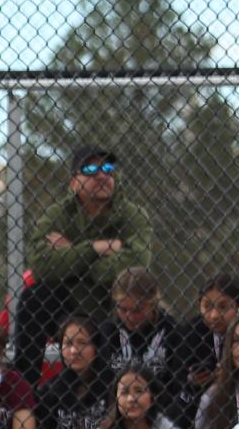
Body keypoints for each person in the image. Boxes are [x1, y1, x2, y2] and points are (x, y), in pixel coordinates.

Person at [12, 146, 152, 381]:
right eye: (90, 169)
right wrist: (96, 248)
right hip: (69, 303)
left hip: (110, 303)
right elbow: (41, 264)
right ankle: (25, 394)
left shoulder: (132, 215)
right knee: (34, 298)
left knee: (131, 293)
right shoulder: (58, 214)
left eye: (108, 169)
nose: (101, 175)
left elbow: (135, 264)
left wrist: (71, 252)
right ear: (74, 182)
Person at [33, 315, 113, 429]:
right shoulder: (49, 391)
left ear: (97, 347)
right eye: (68, 343)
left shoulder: (113, 387)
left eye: (83, 343)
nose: (74, 351)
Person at [103, 267, 182, 417]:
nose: (129, 316)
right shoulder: (109, 332)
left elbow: (176, 388)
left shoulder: (172, 332)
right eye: (122, 309)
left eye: (137, 310)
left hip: (160, 416)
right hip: (118, 416)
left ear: (153, 304)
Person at [176, 274, 239, 427]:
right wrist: (191, 381)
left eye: (223, 306)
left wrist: (230, 374)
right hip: (195, 407)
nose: (214, 315)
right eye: (207, 306)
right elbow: (176, 377)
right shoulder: (190, 332)